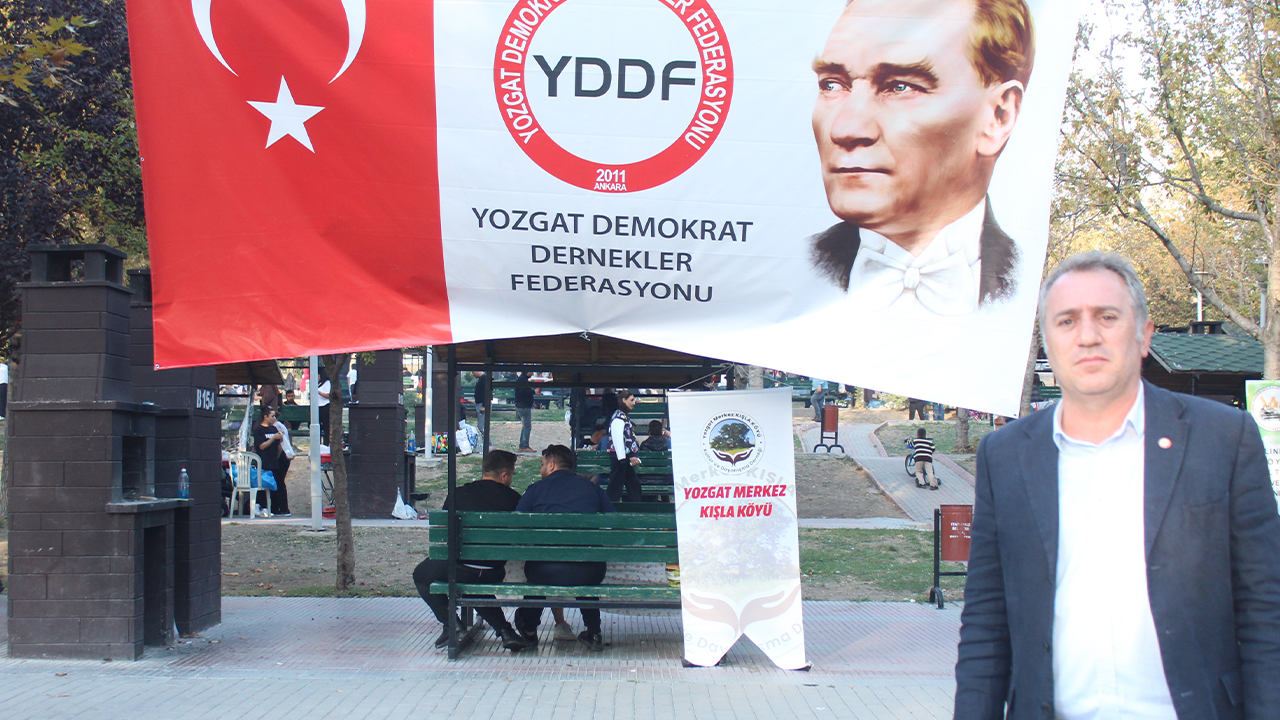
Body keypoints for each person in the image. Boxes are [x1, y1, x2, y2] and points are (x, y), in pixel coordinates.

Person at [954, 251, 1280, 720]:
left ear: (1144, 334)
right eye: (1067, 321)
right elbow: (985, 624)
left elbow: (1266, 611)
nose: (1087, 336)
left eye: (1107, 317)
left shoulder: (1224, 438)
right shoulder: (1004, 456)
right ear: (1047, 341)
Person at [808, 0, 1032, 316]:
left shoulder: (1033, 284)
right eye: (832, 84)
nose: (844, 129)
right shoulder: (792, 267)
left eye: (900, 86)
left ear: (998, 116)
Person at [412, 450, 533, 652]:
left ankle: (452, 625)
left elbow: (444, 532)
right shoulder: (514, 499)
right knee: (475, 580)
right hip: (493, 571)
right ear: (504, 475)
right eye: (512, 475)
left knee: (421, 574)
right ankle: (506, 632)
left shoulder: (458, 494)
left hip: (460, 568)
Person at [513, 444, 616, 650]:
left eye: (542, 464)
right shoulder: (591, 488)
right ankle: (594, 632)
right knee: (585, 563)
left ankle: (529, 630)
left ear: (552, 464)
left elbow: (516, 524)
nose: (541, 469)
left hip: (544, 570)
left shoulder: (535, 489)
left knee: (538, 570)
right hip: (589, 571)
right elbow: (613, 520)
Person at [606, 389, 643, 502]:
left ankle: (633, 505)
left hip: (622, 458)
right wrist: (622, 458)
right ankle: (612, 506)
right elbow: (617, 438)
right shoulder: (619, 417)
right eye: (631, 400)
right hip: (620, 458)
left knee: (630, 484)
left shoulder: (622, 416)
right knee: (617, 485)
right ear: (624, 400)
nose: (634, 403)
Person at [249, 408, 285, 516]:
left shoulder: (273, 429)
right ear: (265, 416)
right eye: (272, 416)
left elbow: (279, 445)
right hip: (263, 462)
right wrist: (273, 438)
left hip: (273, 461)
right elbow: (261, 446)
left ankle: (272, 508)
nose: (274, 418)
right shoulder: (259, 430)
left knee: (273, 485)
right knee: (262, 485)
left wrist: (280, 437)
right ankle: (260, 506)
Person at [270, 410, 295, 515]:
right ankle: (276, 507)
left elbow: (280, 445)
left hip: (282, 456)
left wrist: (275, 459)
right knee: (277, 481)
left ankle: (283, 508)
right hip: (283, 456)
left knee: (279, 481)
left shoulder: (277, 427)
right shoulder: (279, 425)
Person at [514, 371, 535, 452]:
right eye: (531, 372)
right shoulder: (522, 380)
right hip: (524, 406)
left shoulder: (522, 379)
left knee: (525, 426)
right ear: (527, 372)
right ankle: (524, 445)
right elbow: (524, 392)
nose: (532, 374)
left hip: (521, 405)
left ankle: (523, 444)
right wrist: (533, 392)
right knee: (527, 426)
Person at [472, 371, 488, 448]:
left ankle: (488, 443)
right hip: (480, 404)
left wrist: (484, 405)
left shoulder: (484, 379)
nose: (473, 374)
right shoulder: (481, 379)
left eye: (473, 372)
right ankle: (486, 442)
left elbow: (486, 393)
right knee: (481, 426)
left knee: (482, 426)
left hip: (482, 404)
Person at [316, 366, 331, 446]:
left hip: (325, 406)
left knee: (326, 426)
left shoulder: (327, 383)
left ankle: (326, 443)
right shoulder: (318, 383)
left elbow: (328, 395)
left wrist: (319, 393)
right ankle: (318, 443)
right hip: (318, 407)